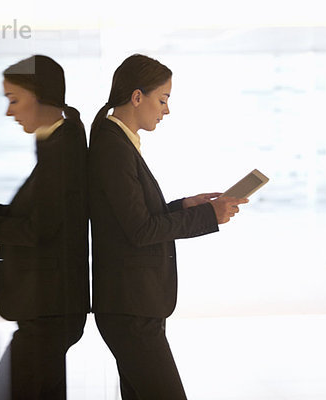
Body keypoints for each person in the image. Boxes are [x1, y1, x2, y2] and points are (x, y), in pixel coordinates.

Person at [88, 54, 248, 400]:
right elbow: (140, 230)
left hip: (134, 304)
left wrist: (184, 206)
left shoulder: (119, 143)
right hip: (129, 307)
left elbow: (132, 217)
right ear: (136, 97)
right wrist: (209, 216)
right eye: (163, 100)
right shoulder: (112, 147)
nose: (166, 110)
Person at [0, 55, 89, 399]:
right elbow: (46, 215)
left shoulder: (61, 149)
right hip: (50, 308)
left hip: (48, 309)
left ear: (41, 95)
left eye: (14, 100)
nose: (8, 112)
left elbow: (41, 230)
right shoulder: (58, 142)